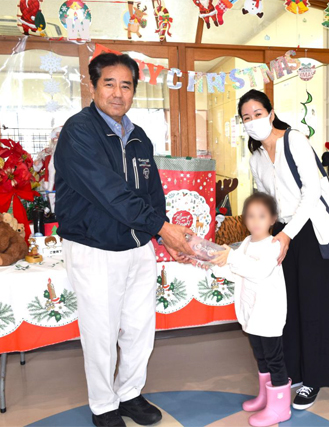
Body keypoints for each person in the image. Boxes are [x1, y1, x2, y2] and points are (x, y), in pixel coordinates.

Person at [54, 53, 194, 427]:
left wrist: (165, 237)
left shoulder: (138, 136)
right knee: (101, 333)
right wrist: (162, 228)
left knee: (139, 329)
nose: (118, 93)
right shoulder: (79, 132)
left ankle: (130, 393)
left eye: (126, 85)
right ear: (93, 87)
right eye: (109, 84)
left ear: (134, 91)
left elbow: (153, 194)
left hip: (138, 247)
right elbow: (110, 193)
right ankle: (104, 405)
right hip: (94, 247)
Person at [238, 89, 329, 410]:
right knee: (286, 308)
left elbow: (312, 192)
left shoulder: (294, 140)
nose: (253, 121)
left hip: (308, 232)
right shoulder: (256, 158)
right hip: (280, 235)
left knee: (313, 307)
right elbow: (265, 201)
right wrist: (263, 235)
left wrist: (287, 235)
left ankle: (314, 379)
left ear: (271, 112)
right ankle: (293, 371)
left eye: (257, 114)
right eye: (246, 117)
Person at [212, 192, 291, 427]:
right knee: (261, 356)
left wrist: (231, 257)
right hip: (251, 312)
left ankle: (280, 408)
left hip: (268, 314)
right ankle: (265, 397)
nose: (255, 221)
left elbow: (258, 271)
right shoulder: (246, 242)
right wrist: (218, 262)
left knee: (274, 359)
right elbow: (236, 271)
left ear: (273, 219)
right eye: (250, 216)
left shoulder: (274, 245)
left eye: (261, 216)